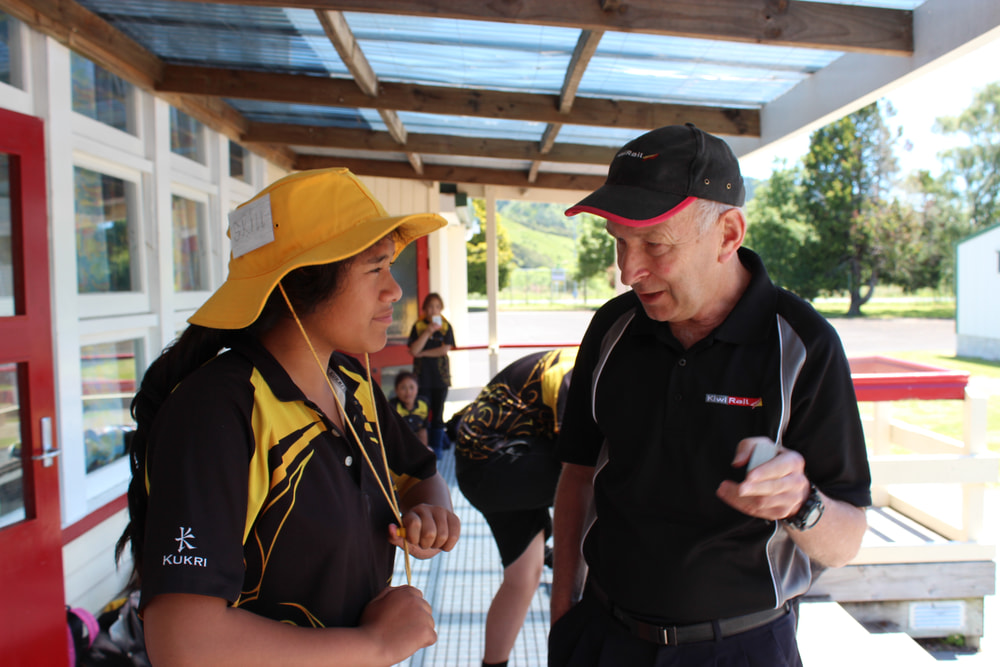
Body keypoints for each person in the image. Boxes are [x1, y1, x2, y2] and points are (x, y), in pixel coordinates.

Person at [548, 124, 872, 666]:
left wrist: (801, 503)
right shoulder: (612, 328)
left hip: (742, 647)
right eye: (619, 242)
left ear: (728, 234)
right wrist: (563, 611)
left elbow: (848, 541)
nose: (628, 271)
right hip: (605, 636)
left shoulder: (802, 345)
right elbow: (578, 474)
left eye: (654, 244)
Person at [115, 168, 461, 666]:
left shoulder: (352, 383)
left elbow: (420, 474)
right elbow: (183, 642)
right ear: (301, 283)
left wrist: (432, 514)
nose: (394, 291)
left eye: (391, 267)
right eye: (375, 269)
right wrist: (375, 645)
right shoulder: (218, 411)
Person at [451, 348, 577, 667]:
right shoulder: (573, 376)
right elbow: (577, 476)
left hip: (491, 463)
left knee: (524, 576)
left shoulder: (582, 365)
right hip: (495, 464)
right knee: (600, 479)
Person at [408, 292, 456, 457]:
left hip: (440, 378)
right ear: (424, 309)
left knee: (438, 413)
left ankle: (437, 448)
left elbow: (445, 349)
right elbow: (414, 350)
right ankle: (424, 448)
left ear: (441, 308)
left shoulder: (445, 326)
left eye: (436, 306)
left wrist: (423, 353)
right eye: (429, 306)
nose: (433, 310)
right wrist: (427, 332)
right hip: (421, 377)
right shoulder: (418, 326)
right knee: (422, 413)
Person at [390, 371, 430, 447]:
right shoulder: (391, 407)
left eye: (412, 387)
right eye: (403, 388)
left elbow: (423, 430)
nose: (408, 392)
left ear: (417, 388)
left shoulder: (423, 404)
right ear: (396, 390)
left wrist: (424, 450)